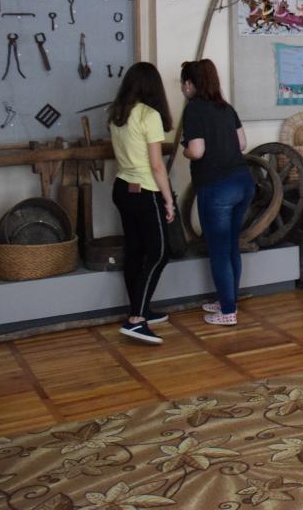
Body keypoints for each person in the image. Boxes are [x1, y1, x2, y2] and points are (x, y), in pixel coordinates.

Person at [180, 59, 254, 327]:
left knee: (219, 250)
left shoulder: (193, 109)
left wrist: (185, 150)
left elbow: (197, 151)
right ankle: (227, 299)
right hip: (243, 182)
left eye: (183, 83)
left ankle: (228, 311)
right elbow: (242, 143)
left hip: (217, 187)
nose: (182, 88)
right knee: (231, 245)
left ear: (190, 84)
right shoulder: (226, 107)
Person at [108, 62, 176, 345]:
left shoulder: (117, 114)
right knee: (160, 253)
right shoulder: (149, 115)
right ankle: (136, 319)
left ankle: (140, 309)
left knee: (135, 252)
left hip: (122, 188)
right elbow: (157, 166)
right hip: (146, 191)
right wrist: (169, 200)